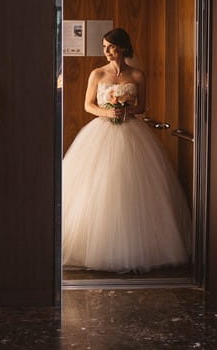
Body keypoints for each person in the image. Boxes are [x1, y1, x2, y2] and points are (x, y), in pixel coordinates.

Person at [62, 27, 191, 273]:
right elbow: (88, 105)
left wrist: (127, 110)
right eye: (104, 47)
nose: (107, 52)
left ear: (123, 47)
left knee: (134, 187)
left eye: (111, 47)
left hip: (132, 132)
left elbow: (143, 106)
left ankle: (137, 248)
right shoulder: (97, 73)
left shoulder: (138, 75)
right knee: (100, 187)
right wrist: (108, 111)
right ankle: (94, 247)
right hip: (101, 132)